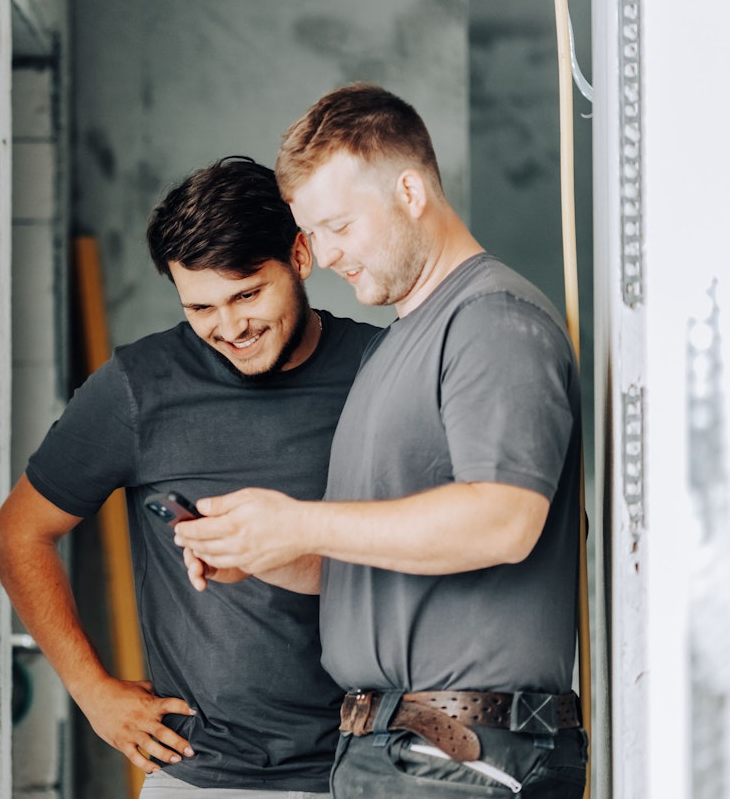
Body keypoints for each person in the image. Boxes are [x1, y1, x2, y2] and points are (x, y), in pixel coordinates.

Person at [174, 85, 588, 798]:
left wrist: (300, 520)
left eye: (338, 225)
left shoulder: (491, 320)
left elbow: (505, 520)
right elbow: (383, 557)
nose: (325, 254)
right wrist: (272, 551)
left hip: (462, 756)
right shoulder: (398, 344)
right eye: (314, 232)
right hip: (398, 753)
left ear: (409, 189)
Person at [0, 156, 379, 796]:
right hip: (202, 776)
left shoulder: (381, 369)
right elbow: (18, 534)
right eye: (202, 307)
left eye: (248, 294)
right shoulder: (139, 388)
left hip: (367, 766)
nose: (230, 328)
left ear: (300, 257)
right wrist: (94, 693)